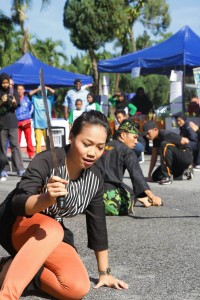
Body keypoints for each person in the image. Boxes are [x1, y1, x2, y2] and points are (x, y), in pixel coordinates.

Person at [0, 111, 128, 299]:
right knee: (53, 229)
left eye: (100, 147)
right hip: (15, 224)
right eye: (86, 144)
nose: (92, 153)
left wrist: (104, 272)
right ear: (71, 136)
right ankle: (8, 295)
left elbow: (97, 225)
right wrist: (46, 199)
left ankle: (8, 267)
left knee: (76, 288)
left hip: (52, 233)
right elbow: (18, 202)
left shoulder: (95, 178)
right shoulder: (45, 161)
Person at [95, 119, 162, 216]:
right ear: (123, 135)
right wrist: (152, 196)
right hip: (108, 201)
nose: (136, 142)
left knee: (128, 189)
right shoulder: (127, 151)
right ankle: (140, 198)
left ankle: (141, 197)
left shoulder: (103, 146)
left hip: (92, 197)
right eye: (134, 137)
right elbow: (136, 175)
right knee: (129, 195)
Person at [142, 120, 194, 185]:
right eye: (145, 134)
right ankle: (183, 172)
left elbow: (186, 141)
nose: (147, 136)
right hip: (176, 161)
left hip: (185, 156)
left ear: (155, 130)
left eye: (148, 133)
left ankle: (167, 177)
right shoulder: (155, 139)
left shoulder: (165, 134)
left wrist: (181, 153)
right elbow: (154, 157)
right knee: (155, 176)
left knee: (164, 144)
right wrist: (149, 175)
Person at [0, 73, 25, 181]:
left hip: (12, 123)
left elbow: (16, 105)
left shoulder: (13, 92)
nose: (6, 85)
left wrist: (14, 102)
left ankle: (19, 168)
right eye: (3, 82)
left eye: (7, 82)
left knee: (15, 146)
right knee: (2, 148)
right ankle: (3, 169)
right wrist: (1, 101)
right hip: (1, 124)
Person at [29, 85, 55, 154]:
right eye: (41, 91)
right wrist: (38, 89)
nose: (42, 92)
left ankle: (49, 155)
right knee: (38, 142)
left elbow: (56, 93)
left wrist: (48, 88)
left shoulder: (49, 99)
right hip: (37, 125)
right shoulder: (35, 99)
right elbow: (29, 94)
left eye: (43, 90)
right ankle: (38, 156)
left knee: (48, 142)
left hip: (47, 125)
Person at [15, 85, 35, 159]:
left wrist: (28, 116)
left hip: (26, 121)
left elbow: (32, 108)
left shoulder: (27, 99)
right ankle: (17, 155)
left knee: (28, 139)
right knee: (17, 140)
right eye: (18, 89)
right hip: (17, 122)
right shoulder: (14, 99)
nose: (20, 91)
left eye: (21, 89)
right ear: (16, 91)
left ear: (24, 90)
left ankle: (31, 154)